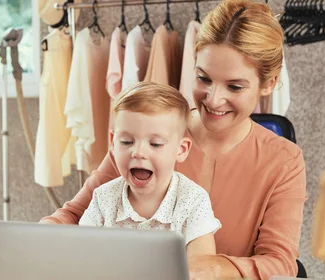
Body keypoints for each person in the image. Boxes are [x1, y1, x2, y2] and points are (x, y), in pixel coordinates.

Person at [41, 0, 307, 280]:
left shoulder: (284, 160)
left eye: (234, 86)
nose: (214, 99)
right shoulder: (146, 138)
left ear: (268, 83)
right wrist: (37, 238)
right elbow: (74, 214)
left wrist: (216, 269)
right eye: (203, 78)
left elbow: (280, 261)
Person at [79, 82, 221, 260]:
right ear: (113, 143)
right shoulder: (103, 199)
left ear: (181, 149)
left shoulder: (193, 201)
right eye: (126, 142)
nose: (138, 152)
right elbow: (81, 258)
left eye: (155, 144)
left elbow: (202, 272)